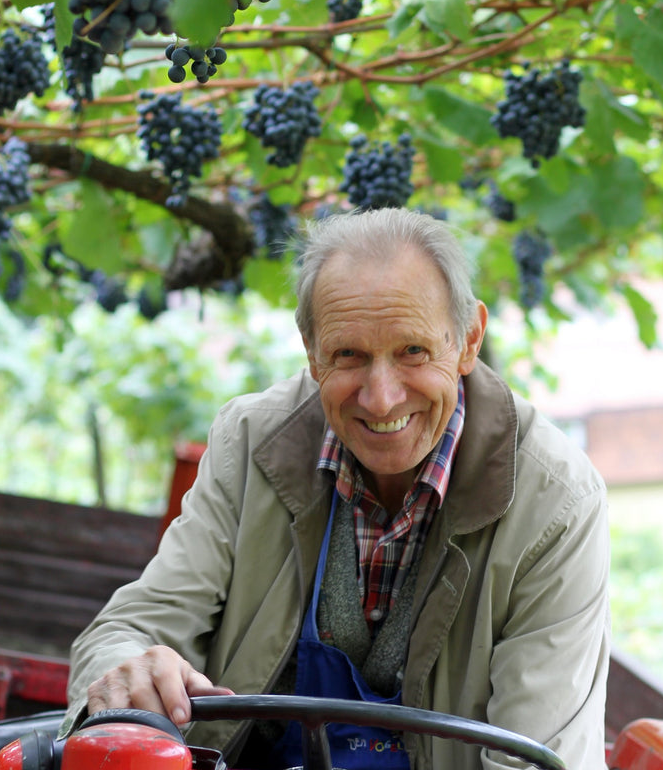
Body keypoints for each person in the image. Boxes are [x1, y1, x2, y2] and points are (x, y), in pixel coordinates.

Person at [63, 207, 611, 769]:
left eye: (413, 352)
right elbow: (134, 627)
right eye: (349, 355)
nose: (380, 397)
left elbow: (537, 759)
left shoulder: (557, 501)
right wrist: (128, 675)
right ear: (311, 349)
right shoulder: (253, 441)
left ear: (468, 338)